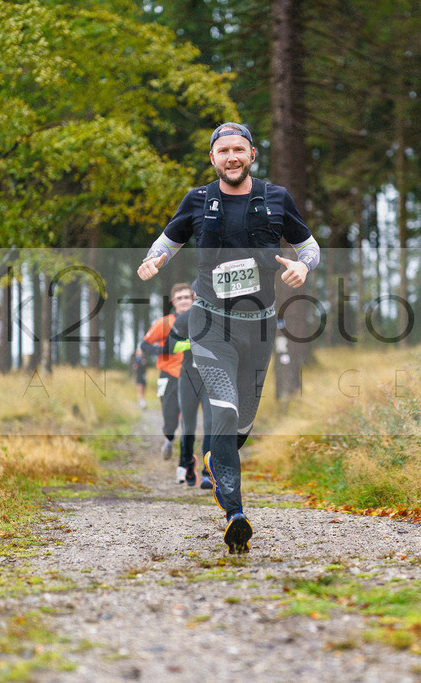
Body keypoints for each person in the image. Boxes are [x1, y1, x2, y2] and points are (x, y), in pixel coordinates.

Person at [137, 122, 320, 554]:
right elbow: (166, 242)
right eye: (223, 151)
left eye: (239, 149)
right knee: (223, 408)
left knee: (240, 425)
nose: (232, 157)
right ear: (213, 158)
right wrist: (153, 261)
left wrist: (303, 267)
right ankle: (235, 513)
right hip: (209, 322)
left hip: (259, 326)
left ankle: (215, 459)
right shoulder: (198, 200)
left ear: (252, 154)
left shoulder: (276, 198)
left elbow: (309, 246)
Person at [140, 283, 193, 462]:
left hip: (195, 374)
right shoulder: (164, 323)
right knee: (170, 414)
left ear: (193, 299)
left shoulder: (200, 320)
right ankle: (169, 439)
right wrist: (166, 349)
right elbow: (145, 345)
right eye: (179, 298)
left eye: (187, 297)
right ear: (173, 302)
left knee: (191, 415)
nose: (184, 301)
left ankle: (190, 451)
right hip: (170, 374)